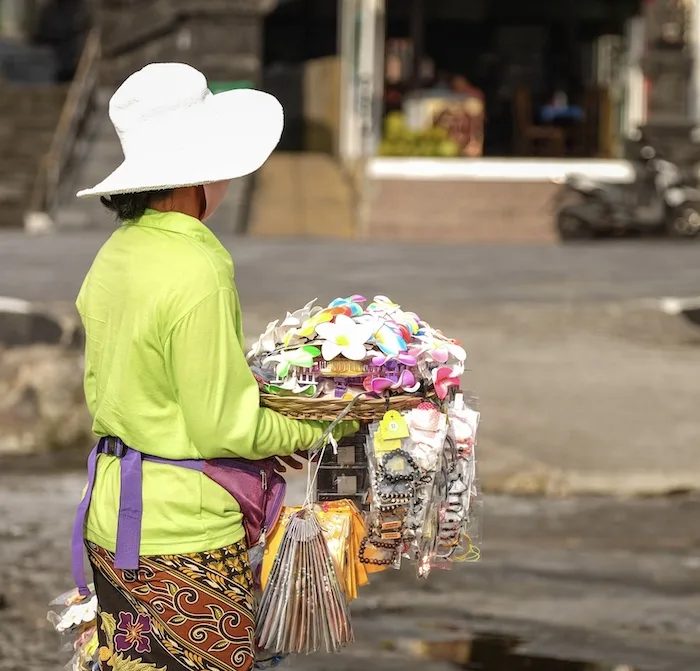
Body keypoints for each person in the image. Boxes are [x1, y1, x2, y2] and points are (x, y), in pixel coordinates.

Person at [73, 63, 357, 671]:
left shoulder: (115, 254)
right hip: (183, 536)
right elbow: (225, 429)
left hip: (112, 518)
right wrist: (327, 424)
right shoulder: (198, 268)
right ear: (196, 171)